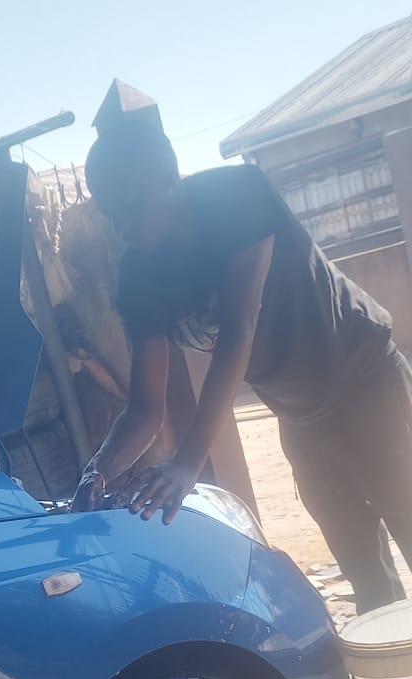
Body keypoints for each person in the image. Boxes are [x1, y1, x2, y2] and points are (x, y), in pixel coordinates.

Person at [72, 107, 412, 614]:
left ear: (168, 176)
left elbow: (239, 329)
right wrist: (97, 473)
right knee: (368, 579)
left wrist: (188, 464)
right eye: (110, 212)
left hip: (367, 381)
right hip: (301, 417)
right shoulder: (139, 278)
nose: (122, 225)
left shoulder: (237, 197)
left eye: (132, 204)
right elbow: (144, 409)